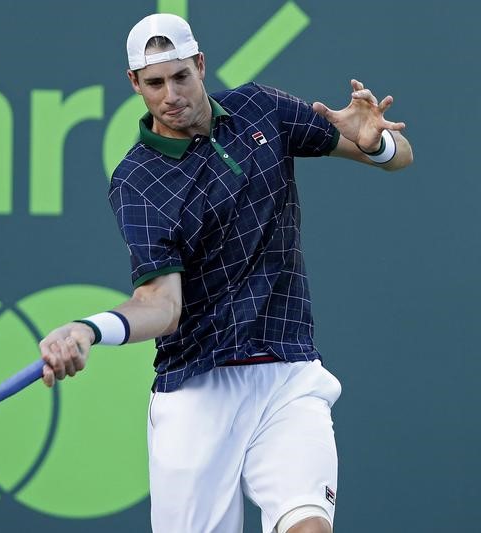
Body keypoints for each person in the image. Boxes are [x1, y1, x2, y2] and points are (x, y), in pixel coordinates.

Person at [38, 13, 413, 533]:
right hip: (197, 391)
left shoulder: (262, 109)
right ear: (134, 85)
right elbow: (160, 307)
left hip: (288, 372)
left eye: (180, 77)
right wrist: (88, 329)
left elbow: (396, 158)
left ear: (200, 64)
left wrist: (376, 143)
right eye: (154, 83)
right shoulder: (138, 182)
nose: (170, 95)